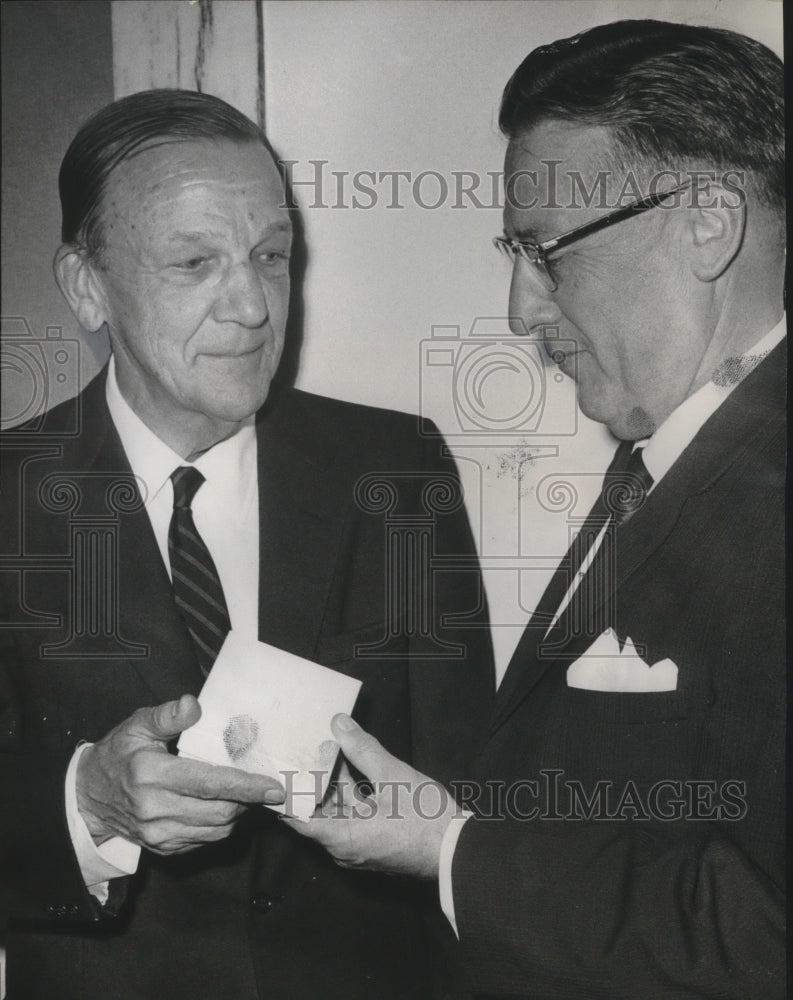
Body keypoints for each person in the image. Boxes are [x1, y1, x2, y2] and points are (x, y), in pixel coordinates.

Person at [288, 20, 786, 999]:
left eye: (546, 251)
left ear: (709, 222)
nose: (520, 310)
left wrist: (450, 848)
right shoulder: (660, 466)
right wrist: (438, 822)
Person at [0, 89, 493, 999]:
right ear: (86, 287)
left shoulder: (394, 466)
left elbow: (467, 791)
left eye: (272, 256)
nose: (255, 305)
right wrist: (86, 801)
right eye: (196, 261)